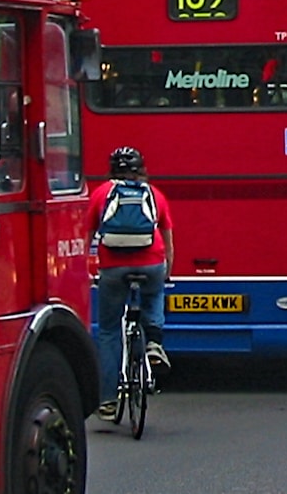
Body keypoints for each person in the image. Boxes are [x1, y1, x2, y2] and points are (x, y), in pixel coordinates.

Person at [90, 146, 174, 419]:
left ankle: (108, 400)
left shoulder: (101, 193)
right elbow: (167, 239)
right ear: (141, 168)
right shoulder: (154, 194)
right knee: (154, 294)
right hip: (151, 262)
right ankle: (154, 343)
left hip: (113, 268)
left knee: (109, 331)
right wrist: (166, 272)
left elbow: (87, 234)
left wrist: (88, 268)